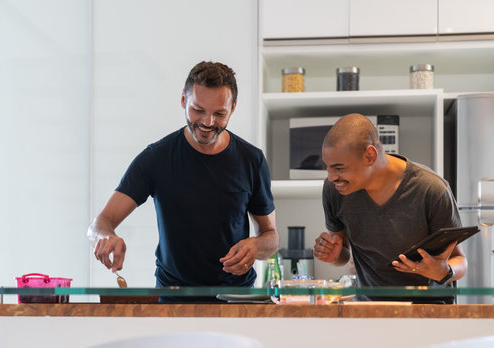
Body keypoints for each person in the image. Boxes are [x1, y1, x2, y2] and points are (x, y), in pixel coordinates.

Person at [87, 61, 279, 290]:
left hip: (236, 298)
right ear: (183, 100)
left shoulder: (252, 160)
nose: (208, 123)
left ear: (233, 107)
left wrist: (256, 246)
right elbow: (100, 224)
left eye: (219, 113)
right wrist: (105, 237)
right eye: (198, 110)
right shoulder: (156, 158)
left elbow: (271, 237)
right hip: (173, 298)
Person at [314, 113, 466, 303]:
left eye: (339, 168)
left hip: (429, 312)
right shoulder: (334, 191)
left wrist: (445, 271)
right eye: (328, 168)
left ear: (370, 155)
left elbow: (460, 261)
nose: (331, 177)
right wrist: (333, 255)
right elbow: (343, 255)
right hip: (369, 310)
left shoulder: (432, 189)